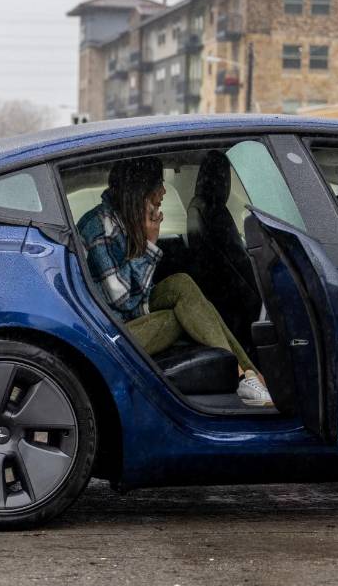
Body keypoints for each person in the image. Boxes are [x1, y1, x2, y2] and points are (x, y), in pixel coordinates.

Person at [76, 156, 272, 407]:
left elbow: (136, 295)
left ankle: (251, 374)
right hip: (109, 335)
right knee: (182, 316)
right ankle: (244, 377)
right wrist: (149, 243)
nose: (164, 191)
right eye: (159, 183)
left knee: (182, 283)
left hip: (125, 318)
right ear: (140, 189)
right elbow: (123, 300)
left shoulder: (122, 220)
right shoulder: (100, 226)